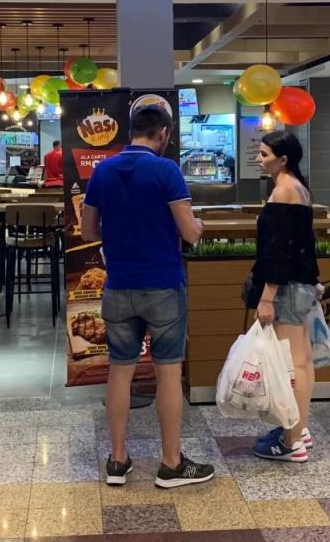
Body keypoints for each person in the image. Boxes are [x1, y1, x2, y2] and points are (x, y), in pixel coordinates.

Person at [81, 106, 214, 489]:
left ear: (131, 131)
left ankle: (117, 460)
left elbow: (89, 232)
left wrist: (121, 230)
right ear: (164, 133)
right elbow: (189, 232)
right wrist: (198, 224)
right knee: (168, 372)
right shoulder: (166, 170)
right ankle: (171, 464)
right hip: (162, 285)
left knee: (120, 371)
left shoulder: (103, 171)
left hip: (119, 285)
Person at [251, 131, 320, 463]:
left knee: (292, 365)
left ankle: (292, 441)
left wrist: (267, 297)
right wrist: (314, 280)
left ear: (283, 160)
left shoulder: (283, 191)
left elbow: (278, 250)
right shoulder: (300, 189)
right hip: (301, 284)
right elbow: (305, 242)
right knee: (303, 360)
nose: (258, 159)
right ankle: (300, 428)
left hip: (287, 288)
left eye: (264, 154)